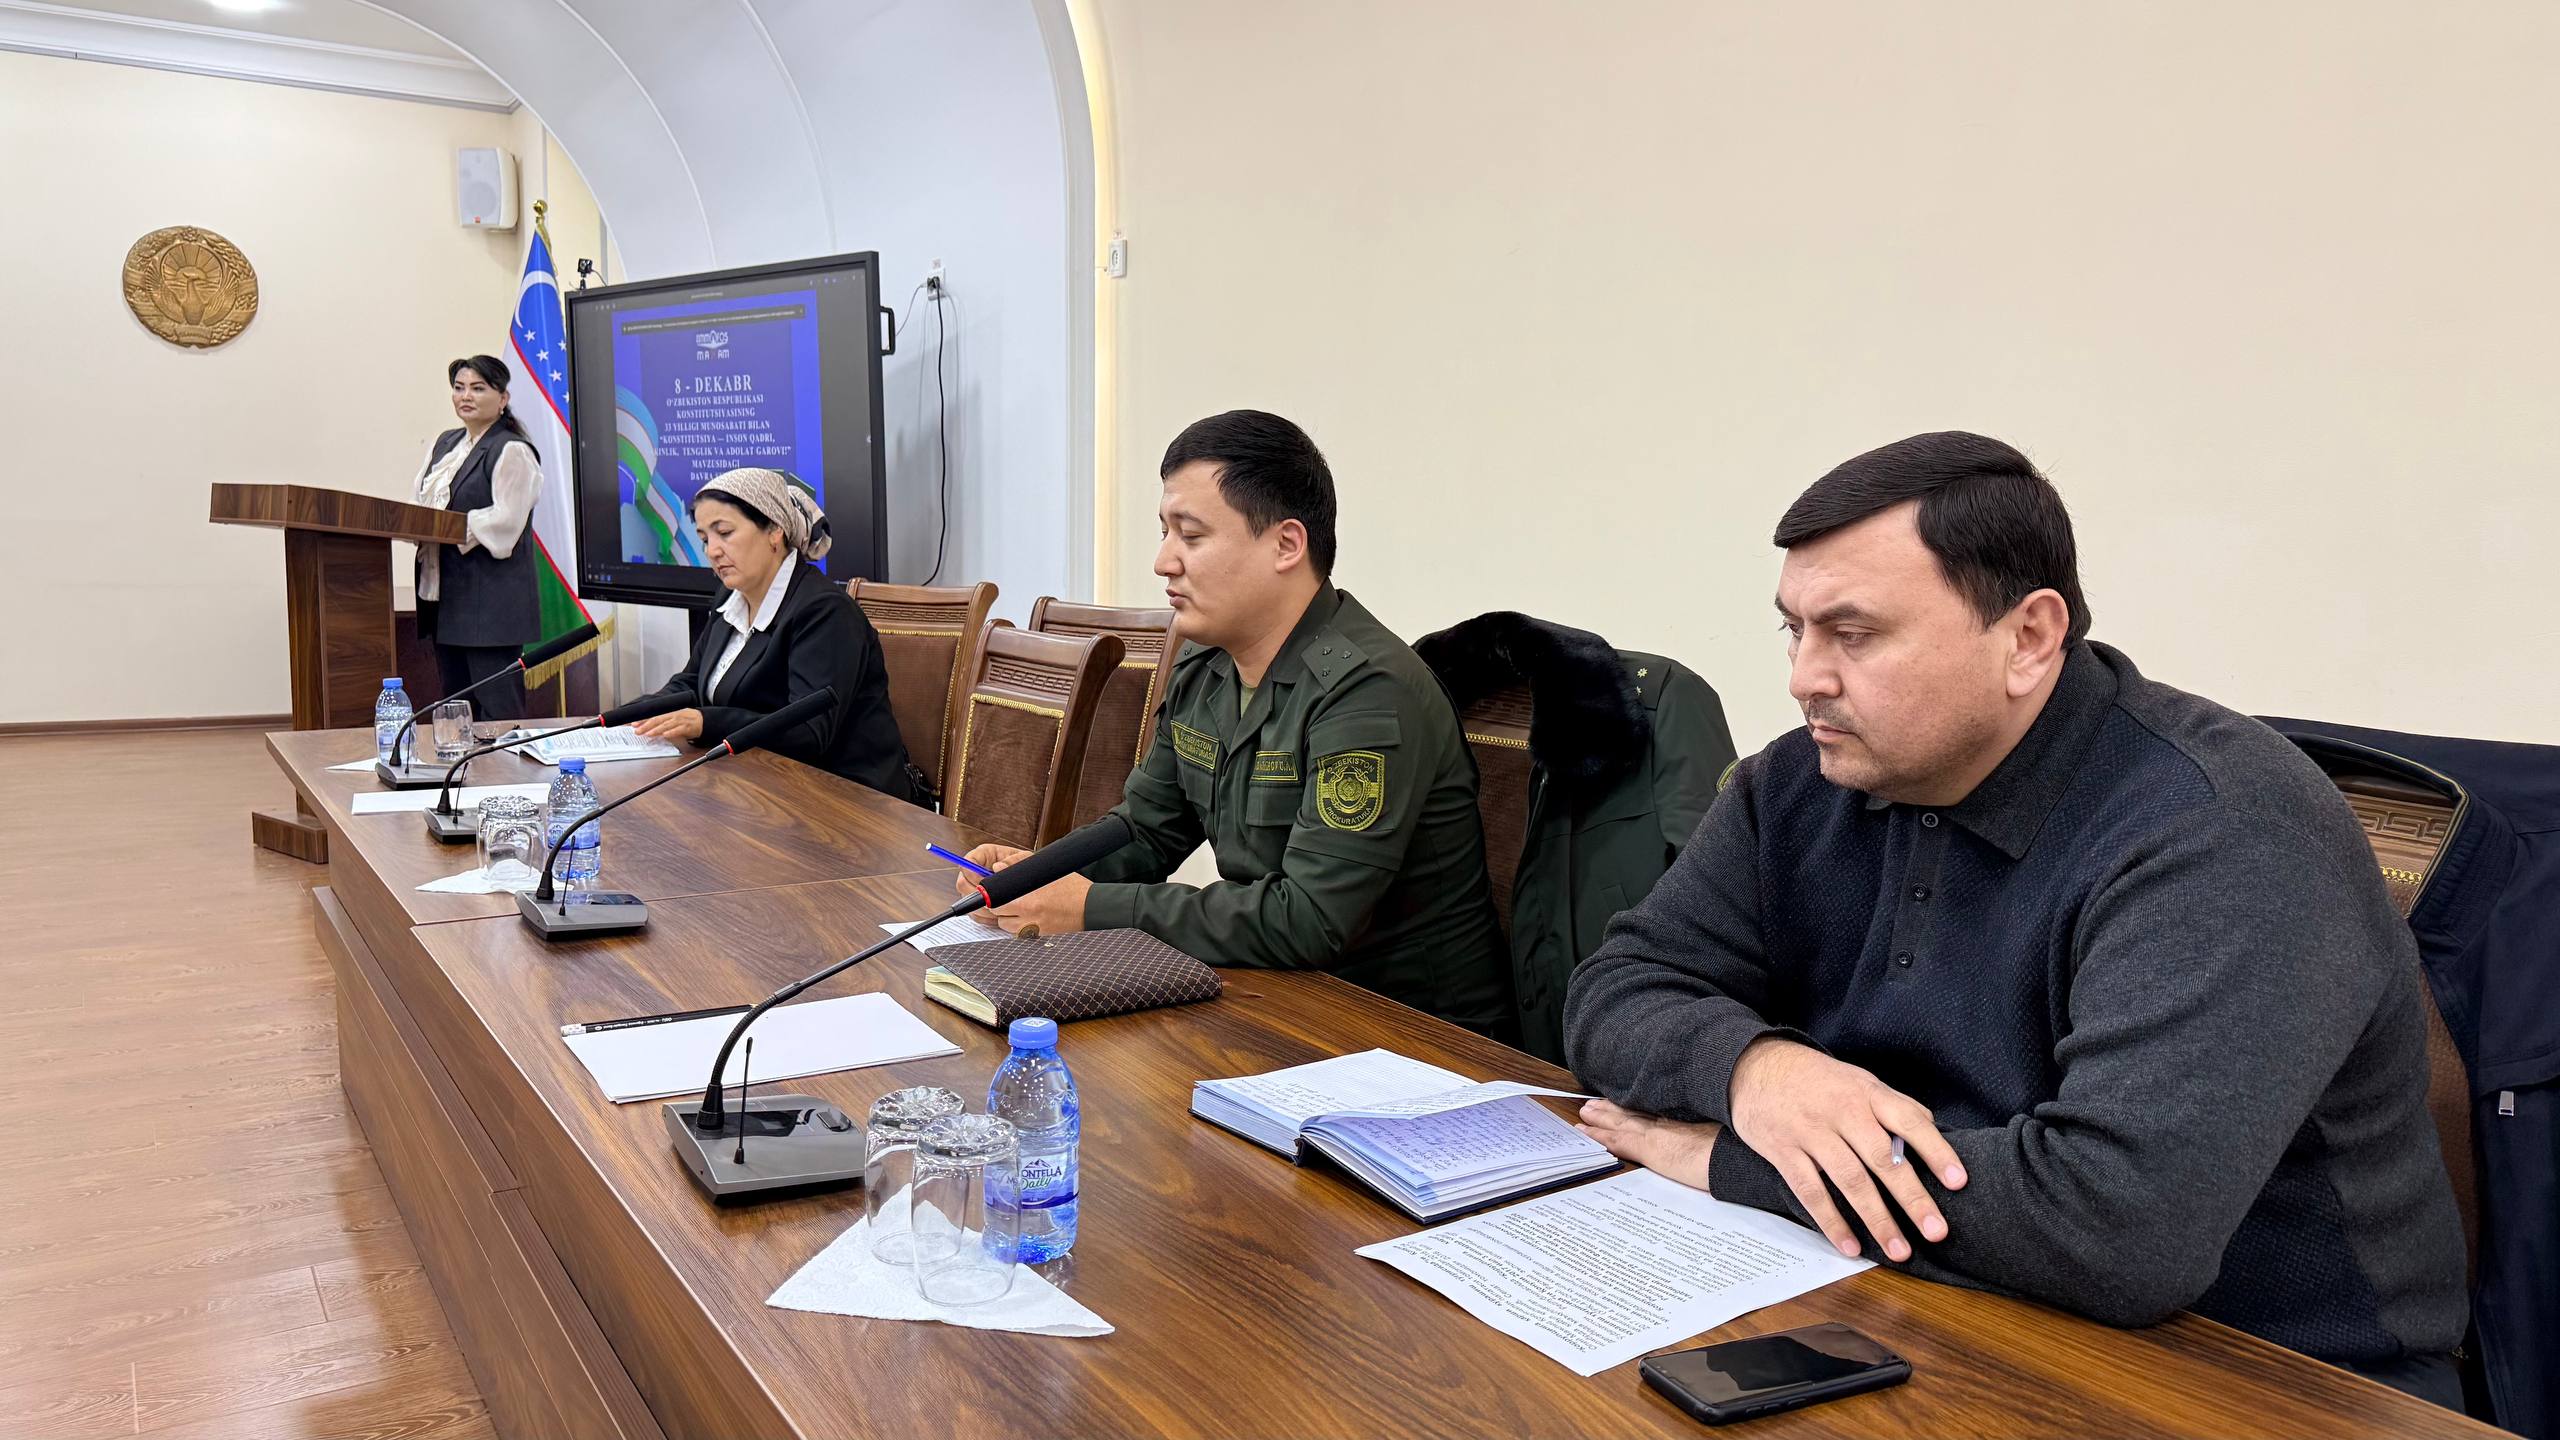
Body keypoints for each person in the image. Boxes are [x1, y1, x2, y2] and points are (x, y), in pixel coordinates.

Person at [1563, 432, 2468, 1405]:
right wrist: (1755, 1070)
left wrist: (1733, 1160)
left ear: (2029, 638)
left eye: (1853, 634)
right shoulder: (1799, 781)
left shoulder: (2225, 829)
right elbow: (1616, 992)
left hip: (2266, 1379)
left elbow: (2117, 1229)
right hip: (1915, 1297)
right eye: (1795, 631)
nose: (1804, 677)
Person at [955, 410, 1513, 1037]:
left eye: (1190, 536)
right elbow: (1145, 829)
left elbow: (1310, 919)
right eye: (1164, 532)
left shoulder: (1366, 691)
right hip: (1279, 996)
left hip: (1413, 1033)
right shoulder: (1206, 665)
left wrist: (1092, 907)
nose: (1163, 561)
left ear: (1286, 545)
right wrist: (1041, 876)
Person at [627, 468, 919, 802]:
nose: (712, 551)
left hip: (847, 800)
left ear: (774, 531)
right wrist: (636, 715)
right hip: (759, 786)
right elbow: (692, 683)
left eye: (725, 533)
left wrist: (706, 722)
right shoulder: (730, 598)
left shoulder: (824, 611)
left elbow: (808, 733)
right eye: (705, 539)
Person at [412, 356, 542, 720]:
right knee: (457, 711)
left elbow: (506, 522)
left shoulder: (512, 449)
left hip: (490, 608)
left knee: (498, 713)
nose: (465, 396)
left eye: (478, 388)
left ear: (503, 398)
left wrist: (443, 527)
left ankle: (505, 762)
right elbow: (419, 503)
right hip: (445, 602)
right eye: (459, 388)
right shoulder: (445, 444)